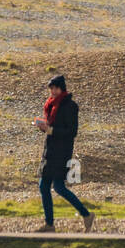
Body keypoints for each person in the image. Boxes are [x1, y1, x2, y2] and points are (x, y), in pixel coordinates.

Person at [33, 74, 93, 233]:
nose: (52, 91)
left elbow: (72, 132)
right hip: (50, 151)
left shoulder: (70, 106)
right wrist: (44, 127)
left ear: (61, 88)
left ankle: (81, 216)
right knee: (47, 186)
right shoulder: (52, 105)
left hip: (61, 153)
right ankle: (53, 223)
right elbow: (54, 128)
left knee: (55, 186)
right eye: (51, 88)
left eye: (54, 88)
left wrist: (51, 130)